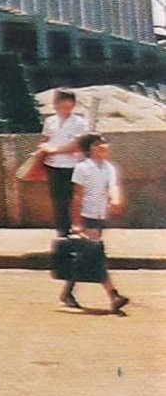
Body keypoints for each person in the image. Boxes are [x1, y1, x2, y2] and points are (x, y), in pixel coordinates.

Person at [64, 134, 130, 313]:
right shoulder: (82, 168)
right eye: (97, 144)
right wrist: (76, 222)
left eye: (104, 143)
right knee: (96, 255)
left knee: (88, 256)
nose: (102, 146)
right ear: (89, 149)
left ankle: (67, 292)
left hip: (100, 216)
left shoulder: (109, 168)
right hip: (87, 216)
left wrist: (115, 200)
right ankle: (113, 296)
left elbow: (113, 187)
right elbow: (77, 196)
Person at [37, 90, 91, 239]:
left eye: (69, 104)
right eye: (62, 104)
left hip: (72, 165)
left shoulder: (79, 122)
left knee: (74, 198)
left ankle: (79, 228)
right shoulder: (50, 121)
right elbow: (45, 139)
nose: (66, 108)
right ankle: (62, 230)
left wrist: (54, 150)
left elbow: (76, 145)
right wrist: (42, 150)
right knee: (58, 199)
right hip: (53, 165)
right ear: (56, 104)